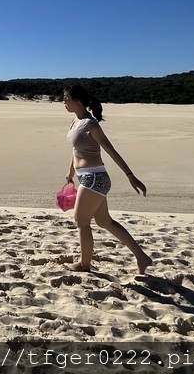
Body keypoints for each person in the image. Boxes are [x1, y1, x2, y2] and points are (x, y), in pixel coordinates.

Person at [63, 84, 153, 274]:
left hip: (94, 178)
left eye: (66, 99)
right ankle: (142, 258)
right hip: (86, 178)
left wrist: (131, 176)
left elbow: (111, 151)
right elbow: (76, 149)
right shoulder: (75, 122)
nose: (63, 102)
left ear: (77, 101)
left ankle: (84, 264)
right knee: (105, 222)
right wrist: (71, 170)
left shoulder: (91, 124)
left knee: (81, 220)